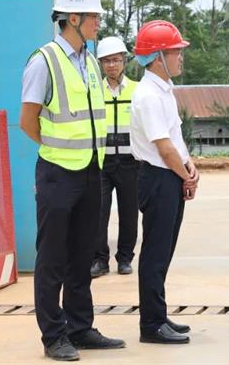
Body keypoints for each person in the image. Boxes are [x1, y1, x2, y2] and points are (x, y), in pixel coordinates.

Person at [20, 0, 125, 361]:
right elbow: (28, 121)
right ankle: (53, 336)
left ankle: (80, 328)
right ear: (73, 18)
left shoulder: (90, 63)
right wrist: (56, 152)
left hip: (91, 171)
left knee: (82, 255)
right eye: (94, 16)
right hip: (58, 173)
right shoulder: (44, 61)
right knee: (53, 258)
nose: (98, 22)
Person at [130, 20, 200, 344]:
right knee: (155, 254)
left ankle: (158, 314)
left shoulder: (164, 90)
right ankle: (151, 324)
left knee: (164, 251)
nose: (180, 57)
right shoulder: (148, 96)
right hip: (158, 178)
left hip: (170, 176)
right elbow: (164, 147)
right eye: (175, 52)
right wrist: (185, 175)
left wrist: (189, 166)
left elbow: (175, 138)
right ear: (158, 57)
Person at [90, 36, 139, 278]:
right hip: (102, 161)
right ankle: (100, 260)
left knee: (129, 212)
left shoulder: (137, 90)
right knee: (98, 212)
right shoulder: (94, 91)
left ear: (124, 61)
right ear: (100, 64)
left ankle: (125, 258)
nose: (112, 65)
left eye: (116, 60)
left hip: (130, 161)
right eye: (107, 61)